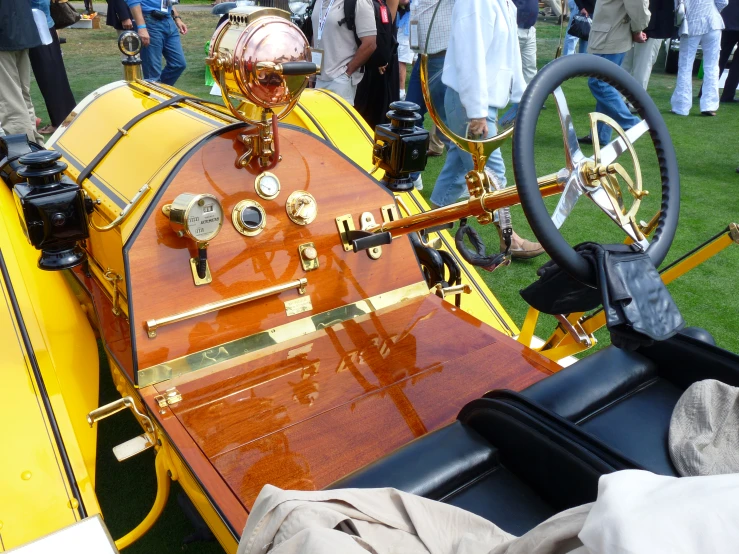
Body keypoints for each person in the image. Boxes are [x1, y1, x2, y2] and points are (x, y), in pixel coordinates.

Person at [431, 0, 543, 258]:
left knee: (458, 171)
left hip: (475, 103)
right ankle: (509, 240)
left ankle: (426, 230)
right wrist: (477, 111)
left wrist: (521, 96)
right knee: (492, 174)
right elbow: (471, 58)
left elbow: (508, 54)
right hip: (469, 103)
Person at [579, 0, 650, 145]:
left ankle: (633, 125)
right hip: (607, 34)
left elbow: (637, 5)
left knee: (599, 83)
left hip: (611, 35)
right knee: (605, 84)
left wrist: (637, 30)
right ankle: (600, 135)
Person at [405, 0, 454, 188]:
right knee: (410, 116)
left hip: (441, 56)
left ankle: (465, 178)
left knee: (446, 127)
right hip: (424, 57)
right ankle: (412, 175)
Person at [311, 0, 377, 104]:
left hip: (340, 79)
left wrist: (346, 73)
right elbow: (318, 34)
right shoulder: (318, 1)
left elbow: (370, 44)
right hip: (318, 78)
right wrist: (312, 74)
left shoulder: (359, 2)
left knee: (336, 120)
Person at [670, 0, 727, 116]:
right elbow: (723, 2)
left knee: (685, 66)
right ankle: (709, 106)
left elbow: (677, 5)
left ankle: (681, 106)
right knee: (712, 66)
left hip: (690, 23)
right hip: (713, 21)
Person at [29, 0, 77, 135]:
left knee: (49, 75)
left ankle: (60, 119)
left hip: (38, 25)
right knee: (53, 74)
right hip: (44, 24)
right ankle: (64, 117)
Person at [0, 0, 44, 144]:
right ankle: (36, 146)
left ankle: (26, 153)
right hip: (21, 27)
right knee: (21, 96)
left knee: (10, 100)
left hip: (6, 31)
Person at [354, 0, 400, 129]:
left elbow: (387, 24)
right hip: (360, 51)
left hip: (379, 55)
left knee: (375, 112)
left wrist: (380, 56)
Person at [127, 0, 188, 86]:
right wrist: (142, 27)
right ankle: (154, 93)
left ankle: (159, 91)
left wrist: (177, 18)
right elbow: (133, 1)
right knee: (152, 75)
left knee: (178, 64)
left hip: (168, 20)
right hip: (149, 22)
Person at [621, 0, 673, 91]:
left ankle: (626, 100)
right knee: (639, 67)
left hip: (643, 23)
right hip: (647, 24)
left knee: (633, 66)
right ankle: (632, 101)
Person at [717, 0, 739, 102]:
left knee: (719, 58)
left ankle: (705, 91)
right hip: (729, 19)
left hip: (728, 18)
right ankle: (728, 95)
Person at [513, 0, 538, 83]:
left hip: (529, 29)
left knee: (530, 68)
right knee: (510, 68)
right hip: (514, 28)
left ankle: (530, 95)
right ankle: (508, 95)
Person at [396, 0, 413, 99]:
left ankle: (401, 93)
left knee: (401, 60)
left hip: (407, 24)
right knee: (418, 58)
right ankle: (423, 89)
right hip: (415, 21)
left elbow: (404, 1)